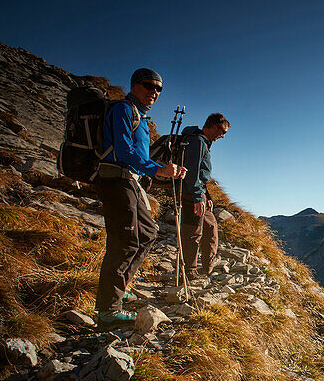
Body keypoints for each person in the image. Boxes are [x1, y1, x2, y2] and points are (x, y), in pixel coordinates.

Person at [94, 68, 184, 328]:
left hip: (129, 181)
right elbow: (123, 151)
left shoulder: (140, 118)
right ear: (134, 85)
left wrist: (166, 169)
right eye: (148, 85)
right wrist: (158, 169)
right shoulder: (123, 110)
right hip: (115, 180)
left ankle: (118, 290)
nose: (154, 92)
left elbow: (137, 155)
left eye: (158, 88)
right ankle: (107, 312)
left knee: (147, 234)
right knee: (125, 242)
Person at [178, 112, 230, 282]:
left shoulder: (201, 142)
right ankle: (189, 271)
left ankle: (208, 265)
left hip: (198, 191)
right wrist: (197, 197)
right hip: (191, 192)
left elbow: (199, 173)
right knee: (193, 231)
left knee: (210, 225)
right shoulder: (198, 142)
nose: (222, 136)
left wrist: (205, 195)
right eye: (222, 131)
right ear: (214, 126)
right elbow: (191, 171)